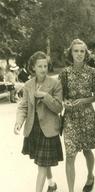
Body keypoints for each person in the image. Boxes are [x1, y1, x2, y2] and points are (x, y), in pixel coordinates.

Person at [14, 51, 63, 192]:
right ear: (33, 67)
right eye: (40, 66)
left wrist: (45, 96)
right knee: (42, 162)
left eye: (45, 66)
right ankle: (52, 184)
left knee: (42, 164)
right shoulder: (28, 84)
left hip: (49, 129)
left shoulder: (56, 84)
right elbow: (23, 106)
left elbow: (58, 108)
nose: (43, 69)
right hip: (33, 128)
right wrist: (18, 122)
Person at [59, 39, 95, 192]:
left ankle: (90, 176)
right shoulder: (64, 73)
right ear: (71, 53)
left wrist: (84, 100)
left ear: (86, 54)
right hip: (70, 117)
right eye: (75, 51)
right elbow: (61, 95)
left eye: (81, 51)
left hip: (87, 116)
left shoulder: (93, 72)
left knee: (87, 150)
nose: (79, 54)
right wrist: (65, 102)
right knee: (70, 154)